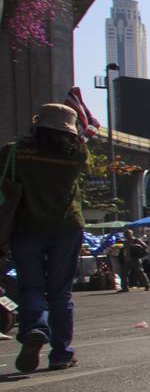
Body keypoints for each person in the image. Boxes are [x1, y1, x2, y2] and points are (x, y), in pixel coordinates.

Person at [3, 103, 88, 372]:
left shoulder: (14, 152)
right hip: (67, 226)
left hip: (27, 226)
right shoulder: (77, 155)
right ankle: (61, 353)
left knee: (31, 287)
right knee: (61, 292)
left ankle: (35, 329)